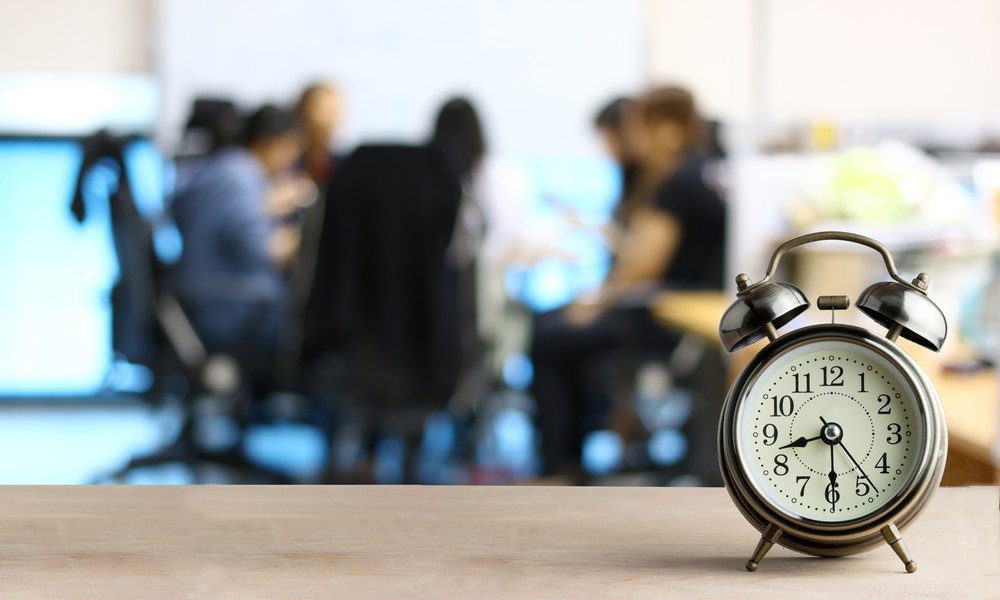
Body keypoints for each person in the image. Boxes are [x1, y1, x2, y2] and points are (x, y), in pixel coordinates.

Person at [530, 86, 727, 479]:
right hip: (681, 314)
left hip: (663, 318)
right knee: (559, 328)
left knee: (549, 335)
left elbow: (642, 267)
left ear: (664, 127)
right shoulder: (702, 172)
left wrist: (595, 303)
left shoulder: (676, 183)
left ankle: (561, 467)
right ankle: (590, 440)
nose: (632, 139)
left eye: (638, 126)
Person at [168, 104, 306, 362]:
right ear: (273, 143)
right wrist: (305, 240)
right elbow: (262, 250)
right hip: (229, 306)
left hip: (205, 293)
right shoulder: (241, 177)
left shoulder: (227, 169)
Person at [295, 82, 343, 188]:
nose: (330, 120)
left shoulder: (339, 162)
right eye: (324, 111)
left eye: (333, 111)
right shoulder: (287, 161)